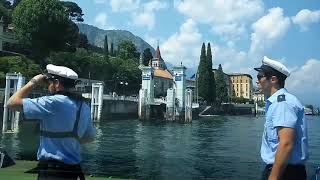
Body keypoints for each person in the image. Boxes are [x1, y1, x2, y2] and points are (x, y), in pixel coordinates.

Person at [7, 64, 96, 180]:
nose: (48, 86)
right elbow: (88, 138)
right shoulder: (84, 105)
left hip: (53, 171)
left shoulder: (52, 103)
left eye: (50, 82)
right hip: (74, 170)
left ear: (57, 83)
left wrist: (34, 81)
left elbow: (12, 103)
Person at [254, 56, 308, 180]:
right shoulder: (278, 102)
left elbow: (286, 143)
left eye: (259, 76)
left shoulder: (282, 103)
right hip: (285, 170)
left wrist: (273, 178)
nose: (257, 81)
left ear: (273, 79)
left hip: (285, 173)